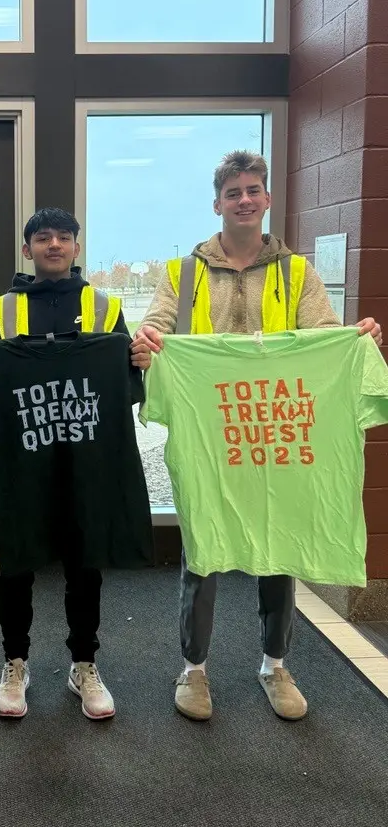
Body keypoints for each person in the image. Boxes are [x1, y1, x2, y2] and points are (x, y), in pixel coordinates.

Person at [131, 150, 383, 722]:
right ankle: (193, 668)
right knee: (203, 545)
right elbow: (157, 327)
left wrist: (354, 340)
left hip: (275, 429)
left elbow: (323, 336)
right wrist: (146, 344)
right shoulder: (183, 273)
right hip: (208, 434)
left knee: (280, 540)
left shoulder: (297, 272)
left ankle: (275, 663)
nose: (244, 200)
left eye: (253, 190)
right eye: (233, 192)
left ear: (267, 199)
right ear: (217, 203)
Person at [0, 207, 146, 720]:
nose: (53, 245)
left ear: (75, 247)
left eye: (62, 238)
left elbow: (126, 385)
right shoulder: (1, 310)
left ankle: (84, 664)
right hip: (24, 463)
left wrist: (136, 361)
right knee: (17, 563)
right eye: (42, 238)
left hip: (86, 461)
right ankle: (14, 662)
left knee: (84, 564)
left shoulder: (105, 307)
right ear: (27, 249)